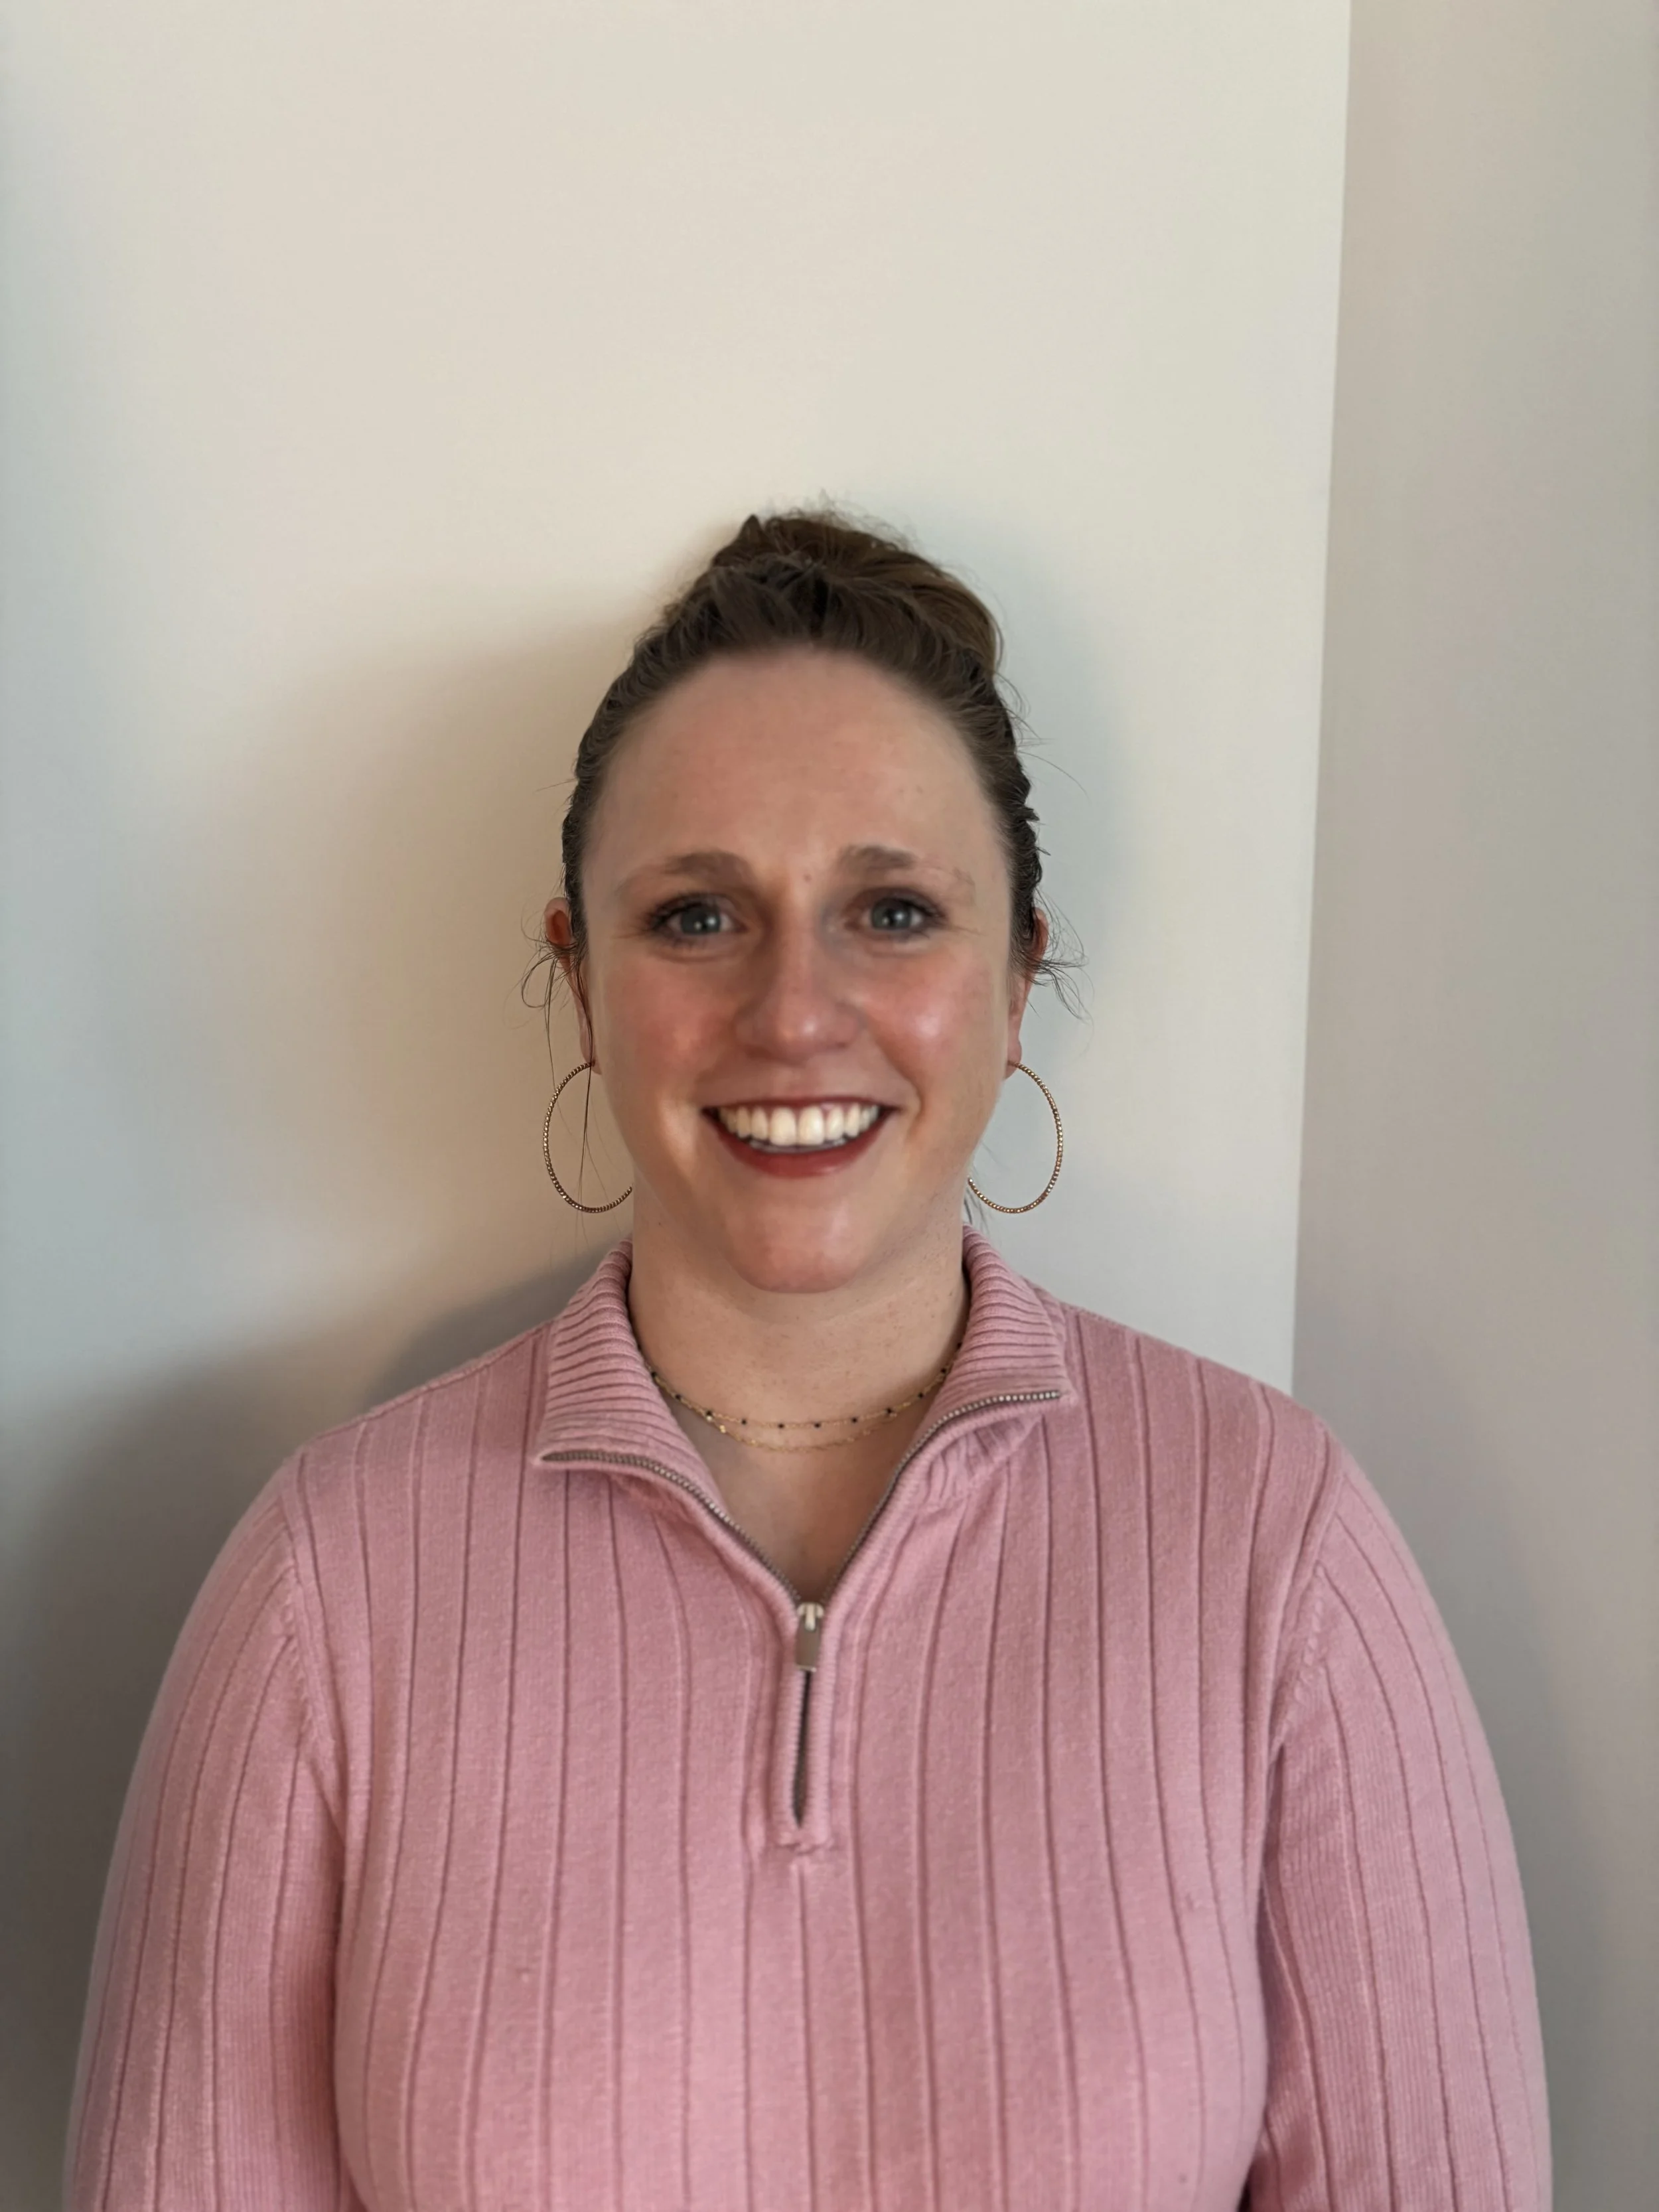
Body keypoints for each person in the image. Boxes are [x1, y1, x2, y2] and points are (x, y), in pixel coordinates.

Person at [66, 512, 1550, 2210]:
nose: (793, 1010)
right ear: (580, 981)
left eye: (893, 911)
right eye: (697, 917)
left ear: (1015, 979)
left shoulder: (1281, 1553)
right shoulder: (324, 1589)